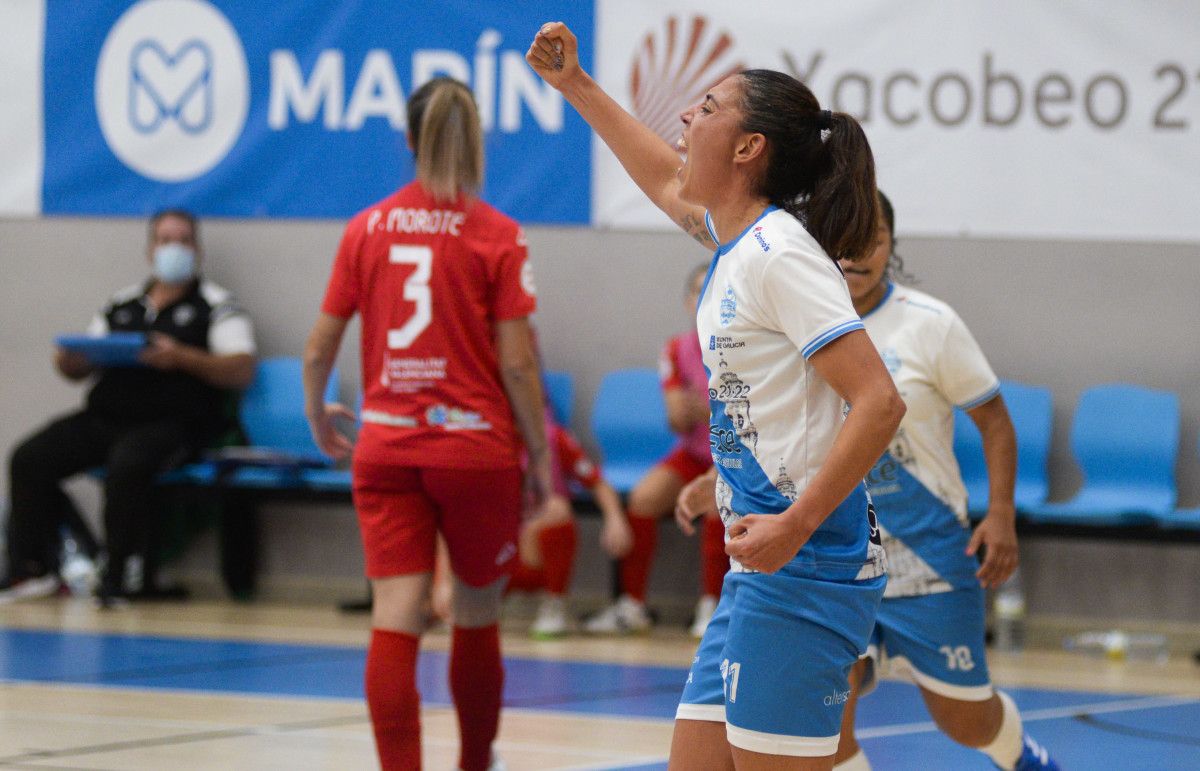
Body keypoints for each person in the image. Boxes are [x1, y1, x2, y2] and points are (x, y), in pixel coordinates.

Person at [528, 23, 905, 770]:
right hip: (757, 570)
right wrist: (575, 84)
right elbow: (667, 181)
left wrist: (795, 522)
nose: (685, 118)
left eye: (706, 106)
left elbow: (879, 402)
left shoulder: (780, 256)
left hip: (806, 567)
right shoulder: (738, 245)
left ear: (747, 147)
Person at [302, 77, 549, 771]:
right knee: (474, 615)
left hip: (385, 444)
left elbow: (320, 346)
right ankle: (474, 763)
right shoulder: (498, 234)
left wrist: (318, 410)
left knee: (394, 618)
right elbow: (519, 365)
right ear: (475, 143)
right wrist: (539, 454)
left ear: (408, 140)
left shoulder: (366, 227)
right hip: (474, 450)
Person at [828, 192, 1058, 770]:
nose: (857, 254)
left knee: (965, 722)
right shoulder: (797, 323)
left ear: (892, 245)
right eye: (844, 239)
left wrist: (1000, 513)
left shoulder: (930, 324)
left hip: (929, 552)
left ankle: (1025, 757)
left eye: (872, 238)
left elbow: (996, 422)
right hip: (838, 552)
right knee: (825, 719)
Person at [1, 210, 257, 606]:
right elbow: (81, 363)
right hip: (107, 417)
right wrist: (71, 362)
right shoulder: (121, 304)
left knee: (128, 464)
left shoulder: (217, 304)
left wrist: (182, 358)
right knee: (30, 457)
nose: (173, 248)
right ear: (149, 249)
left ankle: (119, 574)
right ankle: (32, 568)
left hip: (175, 423)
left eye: (183, 240)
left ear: (198, 250)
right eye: (165, 240)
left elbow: (241, 368)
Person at [585, 264, 726, 637]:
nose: (704, 298)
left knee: (715, 505)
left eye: (712, 290)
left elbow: (744, 415)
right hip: (695, 452)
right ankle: (632, 606)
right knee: (643, 498)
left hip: (732, 455)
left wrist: (706, 408)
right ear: (687, 301)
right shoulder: (676, 349)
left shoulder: (740, 344)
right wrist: (701, 409)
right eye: (698, 291)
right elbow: (678, 419)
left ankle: (712, 607)